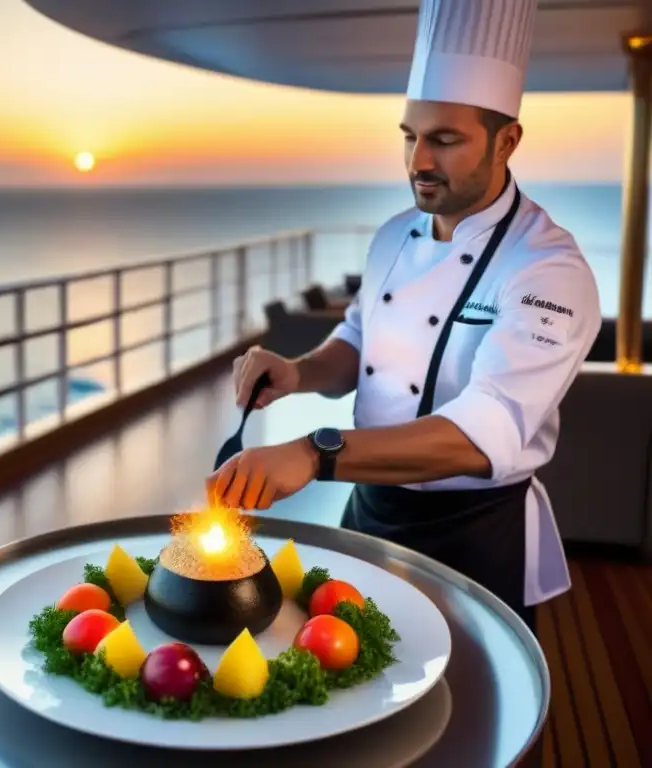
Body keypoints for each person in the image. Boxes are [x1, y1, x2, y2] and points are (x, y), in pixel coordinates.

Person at [206, 0, 601, 634]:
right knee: (341, 672)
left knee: (469, 714)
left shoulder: (548, 271)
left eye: (445, 140)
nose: (418, 161)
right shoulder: (394, 236)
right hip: (369, 507)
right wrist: (298, 372)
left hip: (473, 533)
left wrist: (314, 454)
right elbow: (360, 339)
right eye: (411, 136)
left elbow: (481, 434)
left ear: (507, 140)